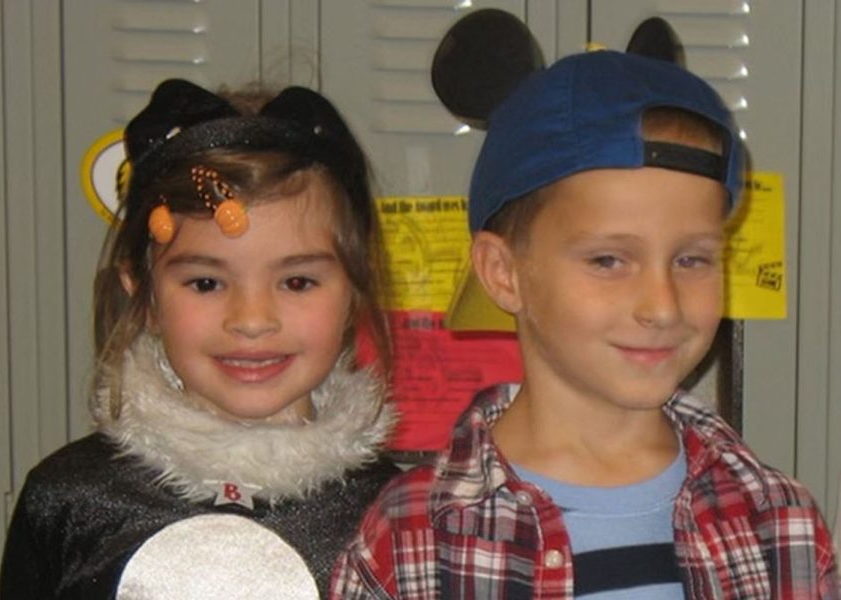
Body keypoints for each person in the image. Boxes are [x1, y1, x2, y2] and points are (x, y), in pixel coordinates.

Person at [331, 22, 840, 600]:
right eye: (608, 260)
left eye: (692, 260)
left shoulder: (778, 523)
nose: (661, 306)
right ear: (504, 273)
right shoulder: (413, 539)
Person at [0, 78, 398, 599]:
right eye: (206, 283)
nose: (252, 320)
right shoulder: (68, 499)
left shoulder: (398, 516)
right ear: (144, 296)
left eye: (297, 282)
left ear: (353, 295)